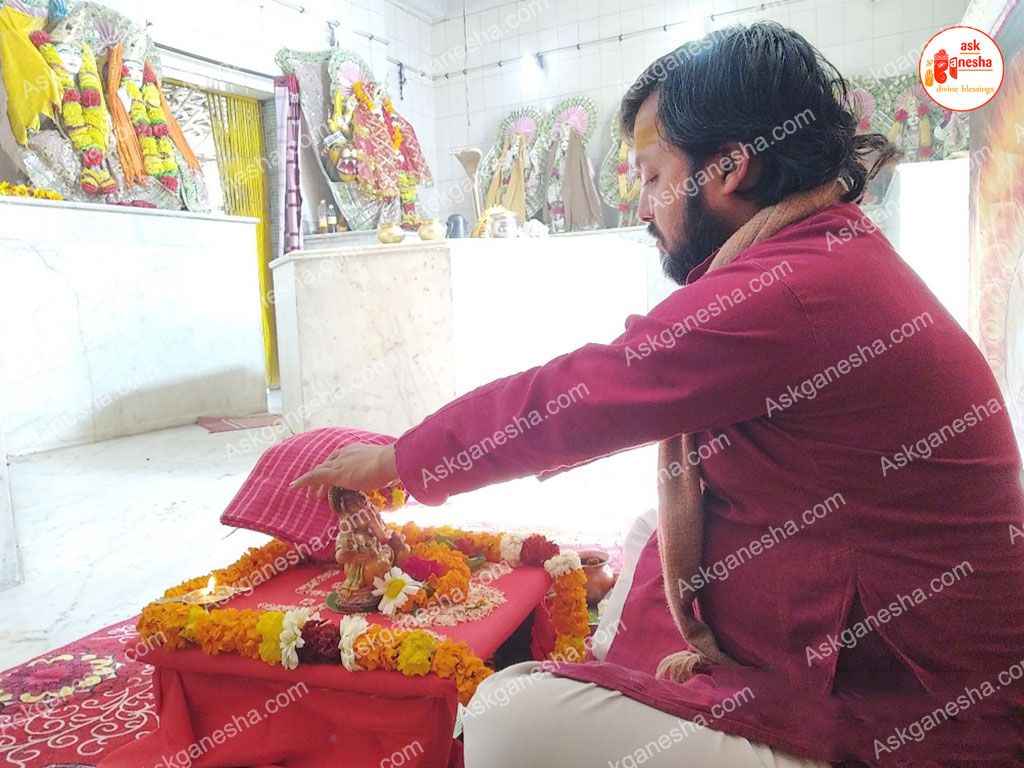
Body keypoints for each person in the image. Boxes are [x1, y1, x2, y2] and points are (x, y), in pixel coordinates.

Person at [290, 22, 1024, 768]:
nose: (642, 207)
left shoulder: (797, 288)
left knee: (512, 715)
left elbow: (582, 395)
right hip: (877, 646)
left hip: (919, 714)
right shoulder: (826, 252)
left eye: (650, 176)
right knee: (655, 529)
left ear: (729, 168)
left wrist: (398, 461)